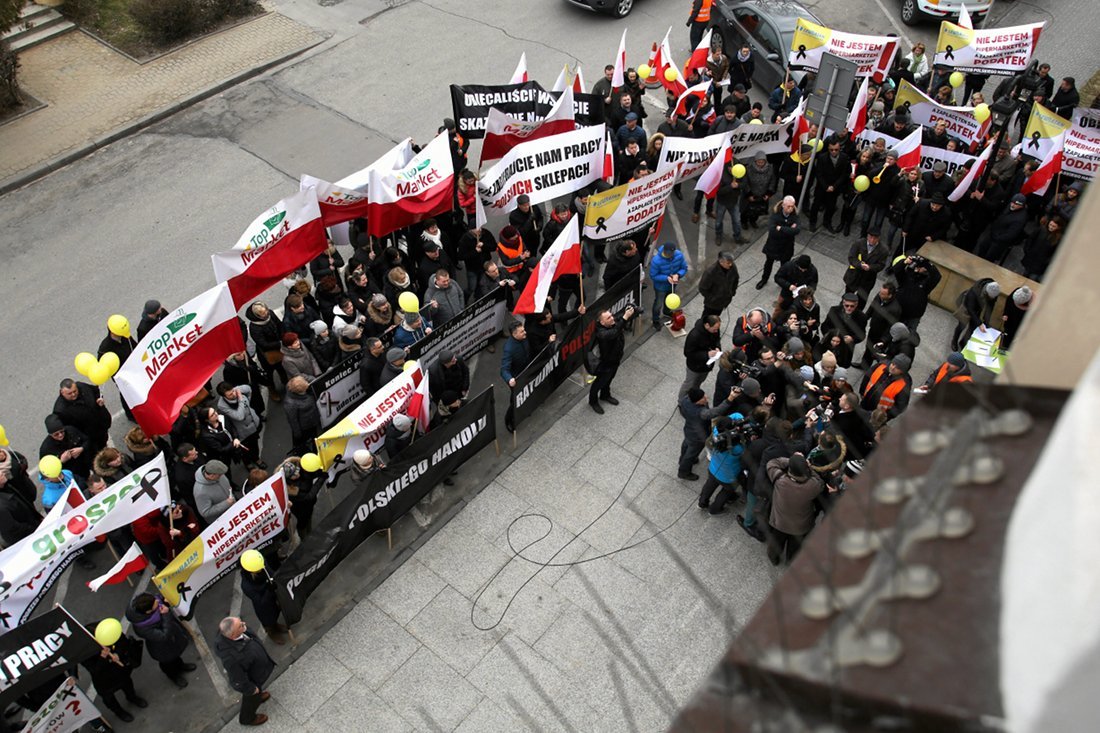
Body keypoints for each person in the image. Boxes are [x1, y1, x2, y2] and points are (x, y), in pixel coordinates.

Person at [126, 593, 197, 689]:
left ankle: (181, 665)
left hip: (172, 640)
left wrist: (165, 599)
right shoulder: (142, 628)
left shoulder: (149, 601)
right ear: (148, 611)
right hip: (161, 648)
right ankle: (174, 676)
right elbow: (164, 636)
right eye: (156, 603)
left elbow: (158, 597)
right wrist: (166, 615)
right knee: (168, 663)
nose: (158, 602)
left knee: (175, 657)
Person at [215, 616, 276, 727]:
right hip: (251, 680)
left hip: (256, 671)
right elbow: (238, 679)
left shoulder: (240, 632)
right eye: (240, 625)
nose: (244, 624)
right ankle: (248, 718)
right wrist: (251, 689)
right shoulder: (231, 658)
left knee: (257, 691)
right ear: (233, 635)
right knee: (251, 697)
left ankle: (259, 695)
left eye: (241, 622)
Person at [80, 625, 147, 722]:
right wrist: (103, 657)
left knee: (127, 683)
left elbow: (122, 642)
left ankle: (132, 697)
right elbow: (95, 670)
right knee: (109, 698)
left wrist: (117, 654)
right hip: (103, 680)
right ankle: (119, 712)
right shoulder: (83, 653)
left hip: (118, 670)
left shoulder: (105, 630)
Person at [766, 453, 824, 565]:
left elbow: (771, 463)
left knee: (776, 544)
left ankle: (774, 559)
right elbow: (819, 481)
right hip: (800, 527)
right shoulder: (813, 486)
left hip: (780, 523)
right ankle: (790, 561)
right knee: (794, 547)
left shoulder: (780, 480)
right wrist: (808, 467)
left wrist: (791, 460)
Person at [678, 387, 734, 480]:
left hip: (689, 429)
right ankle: (684, 471)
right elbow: (716, 412)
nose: (706, 398)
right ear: (697, 402)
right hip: (698, 437)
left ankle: (682, 459)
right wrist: (730, 399)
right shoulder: (701, 413)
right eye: (703, 398)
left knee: (686, 444)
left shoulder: (685, 400)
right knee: (691, 453)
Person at [589, 306, 637, 414]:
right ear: (601, 322)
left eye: (611, 316)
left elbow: (619, 323)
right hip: (605, 362)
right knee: (599, 382)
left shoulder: (613, 323)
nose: (612, 319)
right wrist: (625, 318)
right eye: (608, 318)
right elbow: (613, 333)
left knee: (610, 378)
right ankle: (593, 401)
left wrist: (631, 311)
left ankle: (605, 395)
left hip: (615, 358)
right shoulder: (601, 332)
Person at [698, 414, 746, 514]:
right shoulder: (738, 449)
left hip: (713, 469)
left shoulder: (716, 432)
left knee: (709, 485)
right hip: (729, 477)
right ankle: (715, 509)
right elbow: (737, 414)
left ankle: (702, 503)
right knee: (726, 492)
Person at [52, 379, 112, 454]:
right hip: (88, 437)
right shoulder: (60, 410)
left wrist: (99, 399)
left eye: (75, 391)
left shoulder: (82, 386)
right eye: (69, 393)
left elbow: (96, 391)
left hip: (101, 426)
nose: (73, 394)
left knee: (103, 442)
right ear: (62, 392)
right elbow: (67, 430)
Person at [756, 196, 799, 289]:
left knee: (785, 266)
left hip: (786, 247)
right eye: (788, 206)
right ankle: (764, 279)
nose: (791, 208)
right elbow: (772, 231)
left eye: (792, 206)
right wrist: (789, 230)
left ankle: (782, 282)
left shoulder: (795, 216)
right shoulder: (775, 215)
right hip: (773, 246)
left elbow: (797, 230)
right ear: (783, 205)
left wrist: (781, 228)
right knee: (768, 264)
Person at [216, 382, 263, 467]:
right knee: (244, 449)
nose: (234, 394)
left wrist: (247, 398)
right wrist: (241, 399)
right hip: (241, 431)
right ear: (224, 396)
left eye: (233, 391)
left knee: (254, 444)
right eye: (230, 394)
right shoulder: (222, 405)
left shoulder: (236, 390)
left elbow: (248, 389)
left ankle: (256, 458)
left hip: (252, 424)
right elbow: (239, 416)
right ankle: (248, 463)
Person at [241, 565, 289, 645]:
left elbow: (271, 573)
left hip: (272, 597)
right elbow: (260, 602)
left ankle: (276, 625)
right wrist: (269, 590)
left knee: (276, 613)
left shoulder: (260, 565)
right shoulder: (247, 586)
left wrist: (275, 580)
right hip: (263, 606)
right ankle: (272, 633)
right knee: (268, 620)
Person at [810, 139, 850, 233]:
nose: (834, 152)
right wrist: (826, 186)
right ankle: (812, 222)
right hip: (822, 187)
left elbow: (844, 174)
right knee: (816, 205)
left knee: (831, 207)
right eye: (831, 150)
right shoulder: (822, 157)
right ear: (828, 148)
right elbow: (819, 174)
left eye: (836, 149)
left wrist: (834, 186)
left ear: (839, 148)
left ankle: (827, 222)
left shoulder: (844, 158)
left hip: (835, 188)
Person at [842, 230, 889, 307]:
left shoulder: (883, 250)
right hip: (854, 275)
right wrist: (860, 265)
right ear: (867, 236)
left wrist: (870, 267)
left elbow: (881, 265)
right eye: (870, 237)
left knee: (862, 300)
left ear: (878, 238)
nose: (872, 240)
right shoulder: (858, 243)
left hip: (868, 279)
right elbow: (851, 257)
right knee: (848, 296)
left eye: (875, 238)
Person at [821, 293, 868, 368]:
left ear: (856, 305)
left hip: (846, 349)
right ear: (843, 303)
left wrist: (852, 338)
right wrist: (831, 336)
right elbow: (825, 325)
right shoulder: (834, 310)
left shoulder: (862, 317)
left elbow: (862, 335)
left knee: (840, 367)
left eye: (852, 306)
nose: (849, 308)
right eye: (847, 305)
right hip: (831, 344)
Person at [859, 354, 913, 419]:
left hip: (877, 415)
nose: (893, 368)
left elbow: (900, 406)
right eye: (893, 364)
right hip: (864, 402)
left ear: (902, 371)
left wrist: (885, 416)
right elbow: (867, 378)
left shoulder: (904, 385)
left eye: (897, 368)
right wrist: (862, 392)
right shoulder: (880, 366)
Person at [951, 278, 1000, 351]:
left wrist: (986, 321)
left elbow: (990, 307)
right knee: (961, 325)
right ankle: (954, 341)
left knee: (972, 328)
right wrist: (980, 323)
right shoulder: (974, 292)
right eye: (990, 297)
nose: (991, 299)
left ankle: (963, 343)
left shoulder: (994, 292)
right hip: (967, 307)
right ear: (986, 292)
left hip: (978, 308)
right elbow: (971, 309)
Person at [681, 315, 722, 399]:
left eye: (717, 329)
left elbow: (717, 340)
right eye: (714, 329)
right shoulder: (694, 336)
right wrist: (707, 354)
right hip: (695, 366)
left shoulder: (714, 330)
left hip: (706, 365)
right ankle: (681, 401)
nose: (716, 331)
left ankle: (694, 395)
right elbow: (688, 353)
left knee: (699, 382)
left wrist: (718, 347)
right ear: (707, 325)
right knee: (689, 384)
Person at [501, 322, 532, 431]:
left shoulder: (523, 339)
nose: (525, 332)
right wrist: (510, 379)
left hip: (526, 372)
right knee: (515, 400)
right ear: (514, 334)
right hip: (516, 378)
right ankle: (509, 420)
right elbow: (504, 369)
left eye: (524, 330)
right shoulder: (509, 349)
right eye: (522, 331)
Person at [41, 414, 92, 479]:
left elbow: (87, 440)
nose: (60, 435)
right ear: (50, 435)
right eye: (56, 434)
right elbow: (45, 469)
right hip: (68, 477)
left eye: (62, 432)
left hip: (83, 467)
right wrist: (60, 461)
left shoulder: (71, 430)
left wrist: (81, 448)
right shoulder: (46, 448)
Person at [649, 242, 687, 329]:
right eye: (668, 254)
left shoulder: (679, 255)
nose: (670, 256)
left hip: (672, 285)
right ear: (664, 251)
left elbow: (684, 268)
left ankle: (666, 311)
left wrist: (678, 275)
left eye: (672, 254)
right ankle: (655, 320)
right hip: (660, 287)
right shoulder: (656, 261)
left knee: (669, 299)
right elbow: (653, 275)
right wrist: (666, 278)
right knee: (658, 304)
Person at [284, 376, 322, 455]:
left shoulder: (303, 388)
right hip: (305, 426)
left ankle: (314, 449)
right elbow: (293, 420)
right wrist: (297, 433)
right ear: (299, 391)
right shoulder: (290, 403)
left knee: (314, 436)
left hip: (313, 420)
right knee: (302, 442)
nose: (308, 384)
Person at [698, 251, 740, 318]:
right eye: (728, 263)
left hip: (724, 301)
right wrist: (713, 298)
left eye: (731, 262)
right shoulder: (710, 272)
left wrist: (732, 292)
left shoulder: (732, 267)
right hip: (712, 304)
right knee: (706, 318)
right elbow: (702, 288)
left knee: (717, 315)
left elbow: (736, 279)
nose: (731, 264)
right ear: (721, 262)